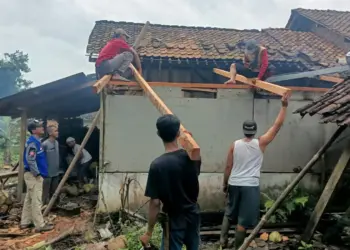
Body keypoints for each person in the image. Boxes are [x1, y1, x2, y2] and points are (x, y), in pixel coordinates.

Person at [220, 93, 290, 249]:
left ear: (243, 130)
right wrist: (284, 106)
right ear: (255, 130)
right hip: (250, 186)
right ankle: (238, 247)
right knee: (242, 221)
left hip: (234, 183)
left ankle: (222, 242)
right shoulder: (261, 143)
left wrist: (225, 184)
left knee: (229, 212)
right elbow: (276, 126)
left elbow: (228, 167)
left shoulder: (234, 145)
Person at [139, 114, 202, 250]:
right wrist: (189, 140)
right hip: (193, 215)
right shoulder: (191, 158)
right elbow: (195, 158)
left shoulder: (157, 165)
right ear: (178, 133)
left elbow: (155, 203)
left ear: (158, 134)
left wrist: (149, 231)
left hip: (173, 220)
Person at [20, 120, 54, 232]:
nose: (43, 128)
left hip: (32, 175)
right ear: (34, 130)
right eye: (40, 127)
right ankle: (40, 225)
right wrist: (37, 174)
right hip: (33, 175)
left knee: (29, 199)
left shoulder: (36, 142)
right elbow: (30, 160)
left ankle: (25, 222)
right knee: (36, 200)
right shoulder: (33, 143)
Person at [42, 125, 60, 205]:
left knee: (55, 190)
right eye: (55, 131)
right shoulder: (45, 144)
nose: (57, 132)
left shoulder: (56, 143)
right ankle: (43, 206)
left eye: (57, 130)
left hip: (56, 171)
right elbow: (40, 158)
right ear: (50, 133)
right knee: (45, 191)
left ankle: (54, 206)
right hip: (47, 173)